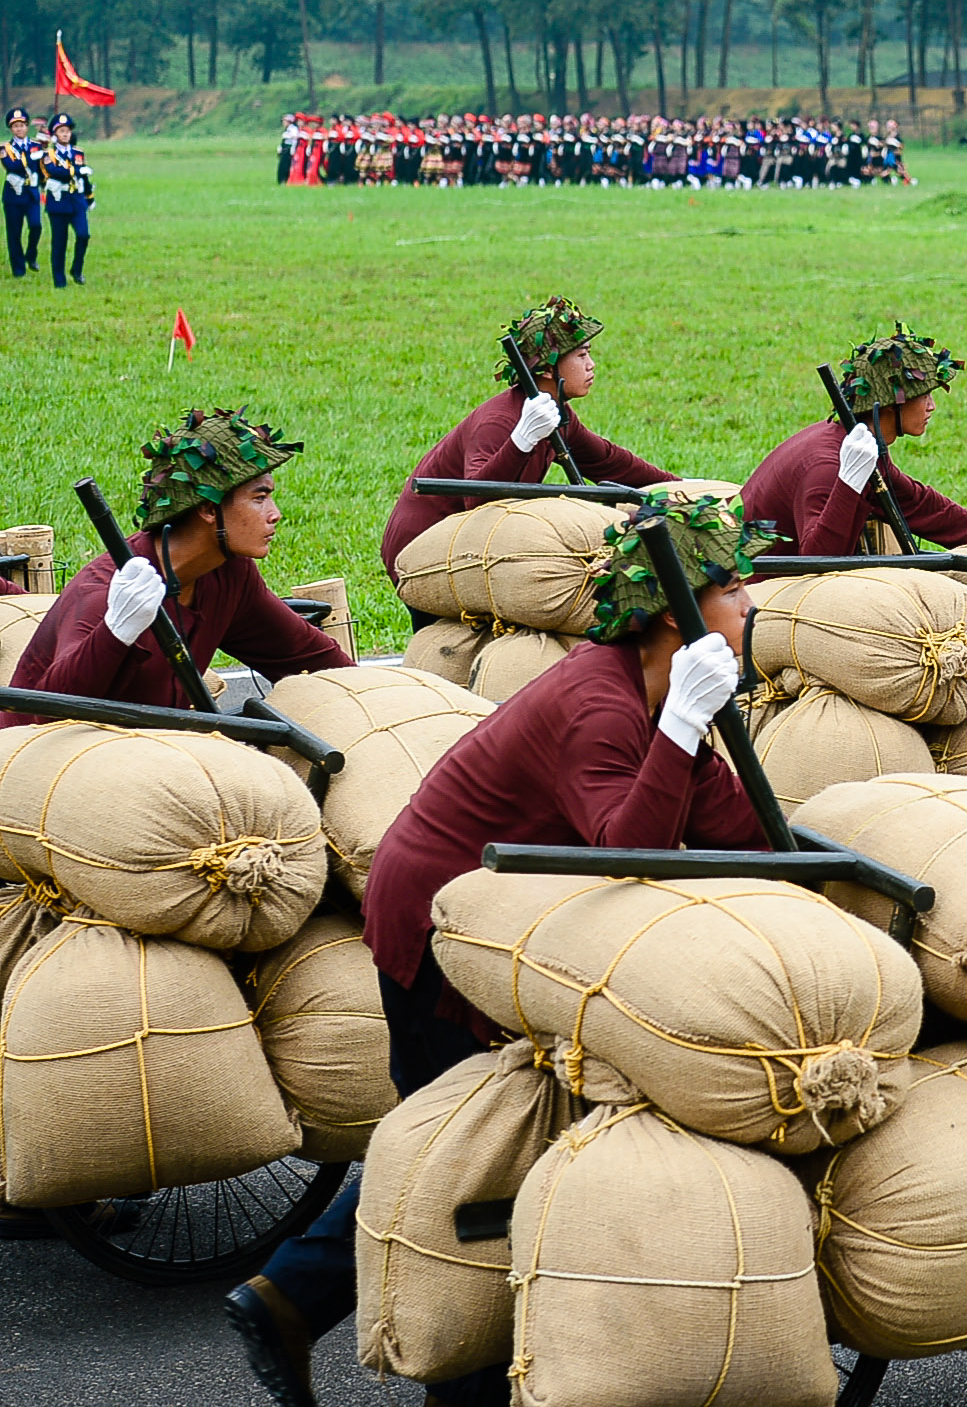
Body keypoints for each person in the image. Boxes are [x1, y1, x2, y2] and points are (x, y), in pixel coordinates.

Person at [227, 493, 776, 1407]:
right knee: (463, 1142)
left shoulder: (662, 693)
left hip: (496, 910)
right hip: (438, 918)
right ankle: (395, 1343)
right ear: (677, 615)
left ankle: (294, 1295)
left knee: (465, 1137)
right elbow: (622, 851)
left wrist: (788, 868)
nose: (752, 603)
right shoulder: (604, 706)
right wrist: (684, 725)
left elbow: (719, 817)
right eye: (733, 586)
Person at [4, 409, 350, 725]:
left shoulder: (231, 573)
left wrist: (381, 696)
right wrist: (116, 632)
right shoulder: (103, 592)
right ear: (208, 509)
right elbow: (45, 714)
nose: (275, 514)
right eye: (259, 499)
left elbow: (307, 657)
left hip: (155, 760)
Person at [378, 299, 676, 589]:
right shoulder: (499, 421)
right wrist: (521, 441)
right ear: (548, 369)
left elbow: (607, 460)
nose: (592, 365)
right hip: (423, 544)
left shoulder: (555, 411)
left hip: (470, 539)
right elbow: (477, 498)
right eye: (582, 355)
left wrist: (681, 485)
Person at [741, 324, 967, 557]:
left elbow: (913, 502)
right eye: (924, 396)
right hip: (762, 589)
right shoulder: (828, 466)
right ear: (889, 405)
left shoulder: (860, 443)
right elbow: (817, 561)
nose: (932, 407)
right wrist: (848, 484)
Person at [37, 114, 92, 288]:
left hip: (76, 200)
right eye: (61, 131)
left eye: (67, 131)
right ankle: (59, 280)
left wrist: (89, 197)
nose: (66, 134)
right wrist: (76, 171)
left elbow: (84, 179)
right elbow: (54, 171)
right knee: (59, 242)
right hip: (58, 202)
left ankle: (77, 269)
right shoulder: (48, 155)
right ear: (55, 135)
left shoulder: (78, 153)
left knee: (84, 235)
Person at [2, 108, 41, 278]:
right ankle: (18, 269)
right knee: (14, 232)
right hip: (13, 194)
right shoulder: (5, 148)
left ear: (27, 127)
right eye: (15, 126)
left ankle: (31, 255)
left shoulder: (37, 145)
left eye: (22, 125)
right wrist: (30, 157)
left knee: (36, 225)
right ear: (11, 129)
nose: (19, 129)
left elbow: (42, 168)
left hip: (31, 193)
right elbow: (12, 166)